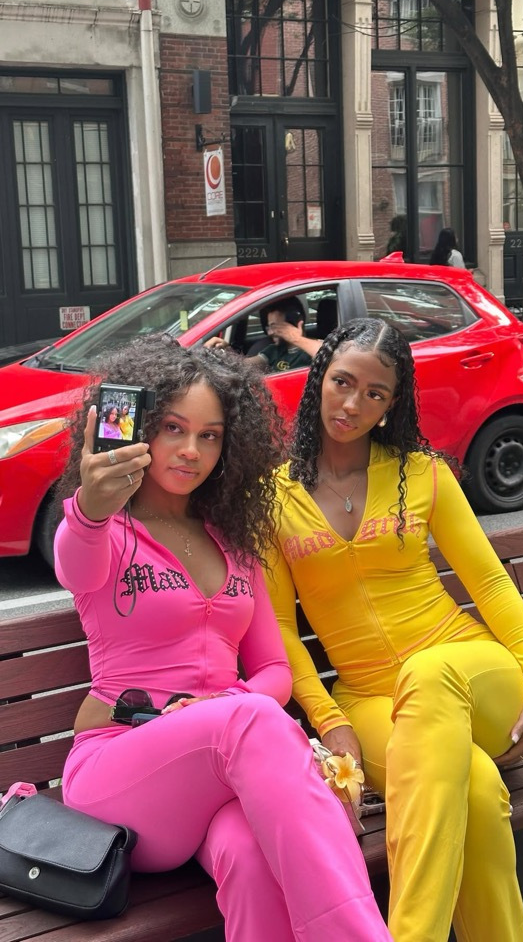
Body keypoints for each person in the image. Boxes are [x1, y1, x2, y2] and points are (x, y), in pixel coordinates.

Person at [53, 335, 390, 942]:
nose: (191, 451)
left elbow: (274, 670)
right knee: (251, 720)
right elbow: (74, 567)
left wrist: (219, 704)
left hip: (219, 773)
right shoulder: (106, 529)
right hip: (121, 771)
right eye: (174, 429)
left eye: (210, 436)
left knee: (253, 857)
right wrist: (91, 508)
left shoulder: (234, 541)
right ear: (141, 429)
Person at [264, 317, 523, 942]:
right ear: (319, 379)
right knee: (476, 790)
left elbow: (489, 582)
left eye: (375, 393)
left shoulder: (422, 472)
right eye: (343, 382)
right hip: (369, 698)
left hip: (471, 673)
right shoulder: (271, 498)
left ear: (391, 405)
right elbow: (279, 627)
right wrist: (330, 720)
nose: (353, 404)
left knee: (430, 672)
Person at [206, 295, 322, 370]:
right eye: (269, 327)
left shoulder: (315, 348)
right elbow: (243, 365)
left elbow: (328, 357)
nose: (270, 333)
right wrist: (225, 351)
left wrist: (297, 339)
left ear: (295, 323)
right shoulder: (273, 350)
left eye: (275, 326)